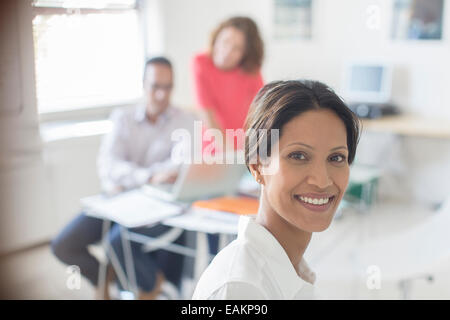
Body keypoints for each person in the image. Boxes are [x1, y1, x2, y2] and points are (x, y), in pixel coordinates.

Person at [192, 80, 361, 299]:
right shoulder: (240, 289)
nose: (322, 181)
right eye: (298, 156)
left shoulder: (293, 268)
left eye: (336, 158)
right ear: (257, 166)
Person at [51, 56, 196, 299]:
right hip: (116, 198)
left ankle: (148, 285)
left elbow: (177, 167)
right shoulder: (122, 118)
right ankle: (107, 275)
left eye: (168, 87)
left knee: (116, 240)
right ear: (143, 85)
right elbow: (108, 166)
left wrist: (132, 176)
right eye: (155, 87)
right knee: (63, 245)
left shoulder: (186, 121)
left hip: (155, 205)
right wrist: (150, 176)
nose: (162, 94)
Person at [191, 16, 264, 152]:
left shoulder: (251, 70)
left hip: (245, 147)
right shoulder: (200, 63)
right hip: (214, 147)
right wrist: (229, 153)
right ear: (216, 38)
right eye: (225, 42)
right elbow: (206, 112)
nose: (227, 52)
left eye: (237, 48)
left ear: (245, 54)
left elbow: (262, 111)